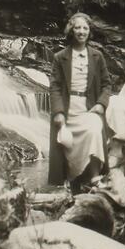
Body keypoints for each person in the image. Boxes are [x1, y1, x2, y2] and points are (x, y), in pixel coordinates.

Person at [48, 13, 112, 191]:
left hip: (89, 108)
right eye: (77, 27)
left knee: (94, 129)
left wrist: (101, 104)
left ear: (89, 31)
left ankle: (94, 177)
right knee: (67, 143)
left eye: (85, 28)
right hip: (68, 108)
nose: (81, 31)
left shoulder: (97, 56)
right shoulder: (60, 57)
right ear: (71, 30)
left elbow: (107, 84)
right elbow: (54, 86)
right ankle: (71, 179)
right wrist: (58, 112)